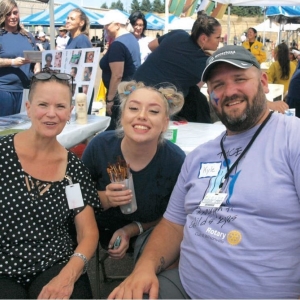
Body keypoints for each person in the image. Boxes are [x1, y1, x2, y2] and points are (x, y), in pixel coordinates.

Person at [108, 45, 300, 299]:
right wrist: (143, 268)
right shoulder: (199, 156)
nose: (229, 91)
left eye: (240, 79)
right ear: (209, 94)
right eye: (218, 85)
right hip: (185, 287)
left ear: (263, 82)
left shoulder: (292, 138)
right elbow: (174, 224)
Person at [0, 70, 100, 299]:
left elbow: (88, 232)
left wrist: (69, 275)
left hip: (54, 263)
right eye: (43, 104)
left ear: (70, 112)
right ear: (28, 107)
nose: (51, 114)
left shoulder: (73, 169)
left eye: (61, 107)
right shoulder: (2, 154)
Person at [82, 80, 186, 261]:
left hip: (153, 231)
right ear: (122, 116)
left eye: (153, 111)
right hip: (101, 228)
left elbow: (176, 217)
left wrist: (131, 230)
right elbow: (74, 197)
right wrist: (105, 198)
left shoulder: (175, 161)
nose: (142, 116)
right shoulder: (100, 147)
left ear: (164, 123)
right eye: (134, 108)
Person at [133, 13, 222, 123]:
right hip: (157, 103)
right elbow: (204, 84)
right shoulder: (203, 63)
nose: (220, 40)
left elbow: (151, 46)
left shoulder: (178, 34)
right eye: (217, 37)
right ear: (204, 38)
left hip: (133, 88)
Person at [99, 10, 141, 131]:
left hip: (119, 96)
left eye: (107, 24)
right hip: (129, 91)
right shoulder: (131, 39)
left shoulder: (118, 44)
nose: (105, 28)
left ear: (117, 25)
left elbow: (117, 75)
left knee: (114, 132)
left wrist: (110, 100)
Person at [0, 0, 39, 117]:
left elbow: (36, 58)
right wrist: (12, 62)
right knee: (4, 129)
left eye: (15, 13)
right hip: (4, 91)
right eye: (8, 14)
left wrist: (38, 70)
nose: (12, 17)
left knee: (22, 128)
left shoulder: (27, 36)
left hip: (26, 90)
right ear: (2, 16)